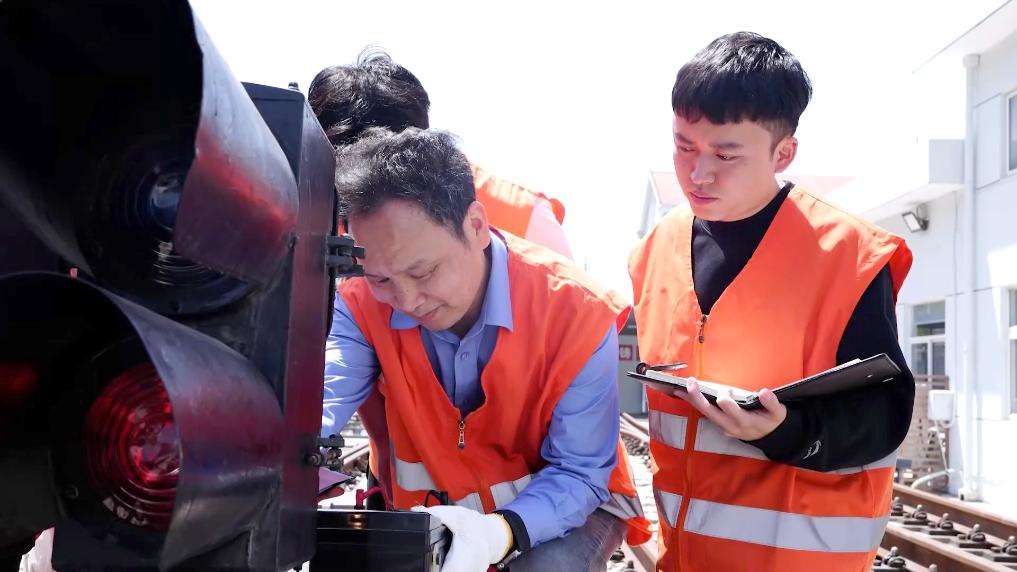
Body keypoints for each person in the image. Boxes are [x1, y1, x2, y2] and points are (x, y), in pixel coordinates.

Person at [628, 32, 915, 571]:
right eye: (684, 146)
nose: (698, 172)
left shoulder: (847, 254)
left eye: (726, 154)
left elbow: (884, 414)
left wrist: (788, 432)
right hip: (683, 559)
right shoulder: (653, 253)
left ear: (783, 153)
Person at [322, 128, 649, 572]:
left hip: (571, 503)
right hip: (441, 509)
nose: (407, 300)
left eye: (424, 271)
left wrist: (501, 532)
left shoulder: (578, 312)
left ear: (476, 226)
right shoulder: (360, 303)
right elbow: (323, 397)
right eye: (381, 279)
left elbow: (578, 472)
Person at [308, 50, 574, 504]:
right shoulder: (323, 220)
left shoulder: (526, 220)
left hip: (532, 495)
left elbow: (572, 365)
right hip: (409, 487)